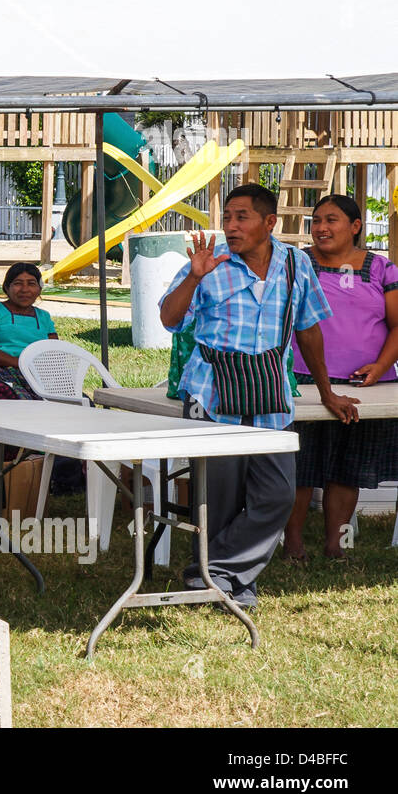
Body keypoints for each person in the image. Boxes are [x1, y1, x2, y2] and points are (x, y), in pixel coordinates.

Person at [159, 184, 359, 610]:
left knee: (277, 495)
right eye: (227, 216)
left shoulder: (295, 263)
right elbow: (170, 320)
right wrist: (195, 277)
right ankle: (231, 582)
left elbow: (307, 328)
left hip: (270, 393)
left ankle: (214, 573)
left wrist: (326, 391)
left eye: (242, 217)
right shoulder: (210, 263)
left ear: (270, 223)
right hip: (213, 393)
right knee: (222, 497)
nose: (231, 226)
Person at [283, 194, 398, 560]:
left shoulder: (382, 269)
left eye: (331, 220)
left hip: (366, 388)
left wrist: (379, 367)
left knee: (350, 466)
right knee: (299, 466)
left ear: (355, 227)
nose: (321, 228)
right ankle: (293, 543)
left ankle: (336, 544)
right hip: (302, 382)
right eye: (316, 221)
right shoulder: (296, 264)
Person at [0, 261, 58, 399]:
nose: (25, 289)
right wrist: (20, 363)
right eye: (18, 283)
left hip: (36, 372)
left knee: (77, 401)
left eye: (31, 283)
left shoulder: (43, 316)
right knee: (23, 401)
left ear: (39, 289)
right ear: (7, 287)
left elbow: (53, 351)